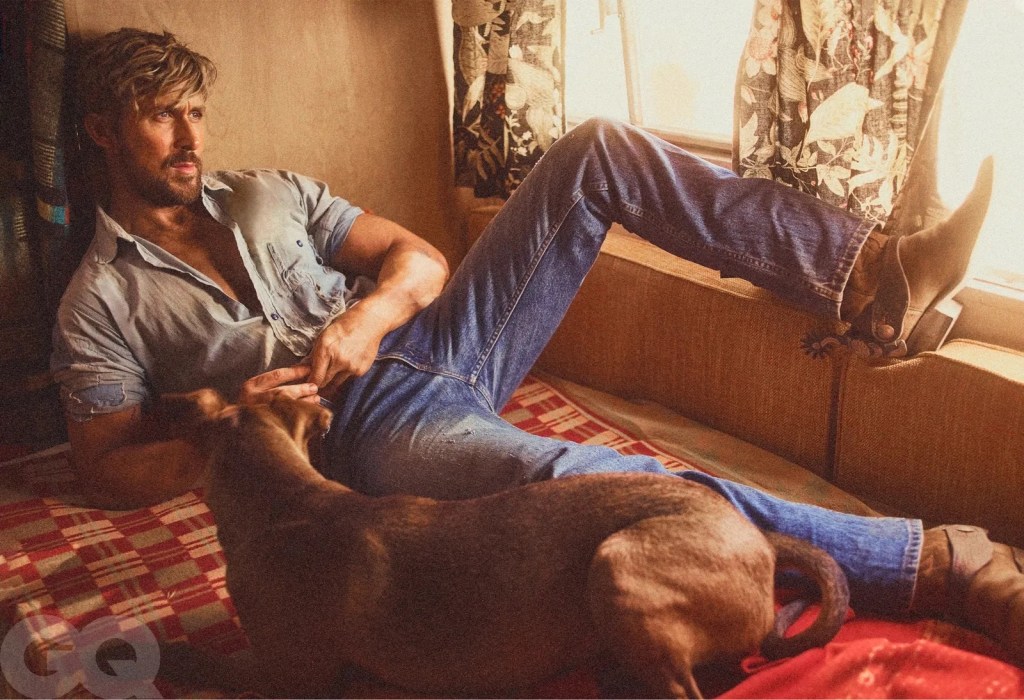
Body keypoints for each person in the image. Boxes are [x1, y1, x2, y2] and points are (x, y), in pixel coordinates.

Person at [53, 27, 1022, 665]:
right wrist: (238, 425)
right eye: (160, 116)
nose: (190, 135)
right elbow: (103, 465)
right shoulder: (100, 300)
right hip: (364, 431)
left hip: (434, 339)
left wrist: (366, 318)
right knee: (616, 487)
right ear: (102, 129)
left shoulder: (270, 192)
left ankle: (875, 277)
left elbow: (420, 260)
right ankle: (942, 563)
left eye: (194, 111)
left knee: (595, 148)